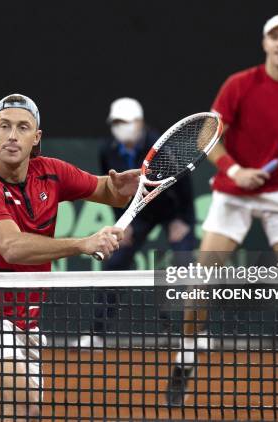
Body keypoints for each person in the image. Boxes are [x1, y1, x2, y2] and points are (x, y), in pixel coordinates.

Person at [166, 15, 278, 410]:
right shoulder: (239, 84)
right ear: (264, 44)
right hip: (234, 193)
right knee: (199, 282)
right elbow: (209, 134)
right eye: (274, 37)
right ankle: (185, 362)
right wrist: (237, 170)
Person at [0, 93, 140, 421]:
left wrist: (120, 187)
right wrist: (82, 244)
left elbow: (105, 190)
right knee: (21, 402)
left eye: (22, 127)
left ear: (36, 138)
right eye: (4, 127)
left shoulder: (50, 172)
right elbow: (12, 246)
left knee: (16, 409)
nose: (12, 135)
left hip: (25, 321)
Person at [71, 97, 197, 348]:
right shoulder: (107, 149)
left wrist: (183, 221)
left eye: (125, 122)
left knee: (185, 266)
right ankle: (96, 333)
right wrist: (122, 223)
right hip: (139, 213)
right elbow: (110, 189)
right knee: (114, 263)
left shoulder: (161, 146)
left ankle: (193, 335)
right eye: (116, 122)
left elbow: (183, 186)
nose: (120, 127)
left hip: (172, 209)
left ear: (139, 123)